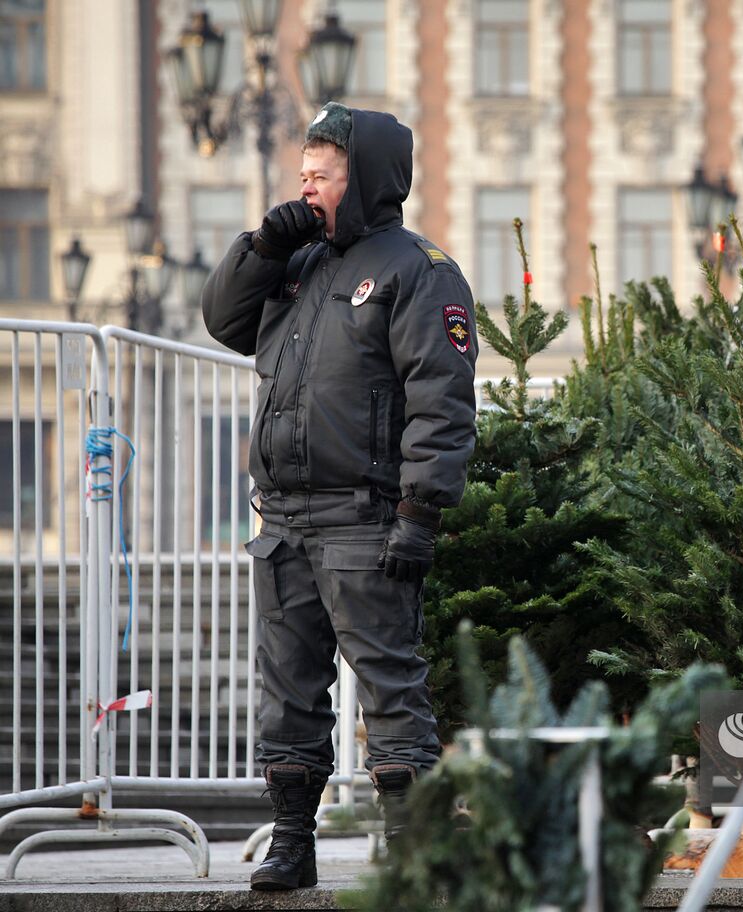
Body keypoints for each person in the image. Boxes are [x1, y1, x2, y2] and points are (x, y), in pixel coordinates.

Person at [201, 102, 478, 891]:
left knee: (390, 687)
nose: (307, 187)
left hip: (367, 514)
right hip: (284, 518)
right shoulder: (295, 262)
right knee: (287, 692)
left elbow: (442, 399)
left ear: (365, 181)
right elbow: (223, 319)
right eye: (302, 176)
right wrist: (262, 245)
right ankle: (292, 843)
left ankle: (410, 851)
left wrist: (421, 512)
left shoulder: (416, 269)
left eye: (321, 176)